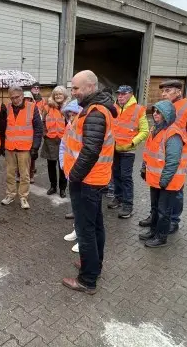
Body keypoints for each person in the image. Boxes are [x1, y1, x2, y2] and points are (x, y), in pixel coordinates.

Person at [61, 70, 114, 295]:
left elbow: (90, 151)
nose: (73, 92)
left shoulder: (95, 113)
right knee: (95, 226)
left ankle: (87, 280)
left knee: (85, 230)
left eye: (76, 88)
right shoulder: (92, 109)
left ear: (91, 87)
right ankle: (94, 265)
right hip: (92, 178)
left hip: (86, 181)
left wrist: (74, 176)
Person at [138, 80, 187, 234]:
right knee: (158, 194)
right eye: (163, 91)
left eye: (167, 90)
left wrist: (182, 153)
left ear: (178, 92)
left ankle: (172, 220)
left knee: (175, 192)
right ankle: (156, 218)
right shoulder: (163, 108)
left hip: (175, 157)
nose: (163, 94)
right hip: (161, 159)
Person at [139, 100, 187, 247]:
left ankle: (161, 237)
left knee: (163, 211)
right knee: (155, 208)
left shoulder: (173, 134)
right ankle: (153, 231)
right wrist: (144, 168)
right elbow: (148, 153)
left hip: (167, 182)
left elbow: (173, 161)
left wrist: (164, 180)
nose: (155, 114)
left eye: (158, 112)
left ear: (166, 115)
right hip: (156, 179)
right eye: (154, 111)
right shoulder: (156, 130)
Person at [106, 85, 149, 219]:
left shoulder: (138, 109)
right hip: (114, 149)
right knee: (116, 175)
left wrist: (132, 143)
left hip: (128, 151)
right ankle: (118, 198)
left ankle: (128, 205)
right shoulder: (114, 108)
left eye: (123, 94)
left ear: (130, 94)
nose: (120, 96)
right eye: (119, 94)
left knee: (126, 177)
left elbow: (145, 131)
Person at [1, 86, 43, 209]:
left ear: (22, 95)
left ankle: (23, 197)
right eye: (12, 98)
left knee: (24, 175)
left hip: (25, 148)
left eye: (17, 97)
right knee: (10, 174)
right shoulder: (7, 108)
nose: (15, 100)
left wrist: (35, 147)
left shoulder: (32, 107)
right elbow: (2, 128)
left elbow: (38, 129)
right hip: (10, 147)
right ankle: (10, 195)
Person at [59, 99, 83, 253]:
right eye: (70, 114)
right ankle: (77, 230)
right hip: (71, 173)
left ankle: (84, 238)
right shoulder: (69, 127)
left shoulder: (85, 128)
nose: (72, 116)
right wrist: (63, 164)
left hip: (83, 174)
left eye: (75, 113)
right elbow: (63, 147)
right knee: (76, 206)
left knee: (85, 209)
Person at [41, 86, 69, 197]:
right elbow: (42, 122)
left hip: (64, 141)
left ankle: (62, 189)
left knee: (63, 166)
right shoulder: (47, 108)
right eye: (56, 94)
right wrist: (45, 134)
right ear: (53, 96)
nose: (58, 96)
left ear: (64, 96)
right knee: (51, 165)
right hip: (50, 140)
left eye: (60, 94)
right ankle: (53, 186)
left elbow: (72, 124)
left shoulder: (68, 108)